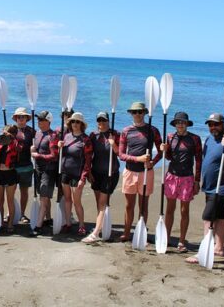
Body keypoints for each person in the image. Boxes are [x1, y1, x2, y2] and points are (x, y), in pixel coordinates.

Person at [186, 113, 224, 263]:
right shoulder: (210, 139)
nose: (213, 127)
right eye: (210, 125)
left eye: (216, 124)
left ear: (223, 124)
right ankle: (219, 248)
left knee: (208, 218)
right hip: (211, 186)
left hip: (223, 188)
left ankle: (204, 251)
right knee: (220, 216)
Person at [118, 102, 162, 242]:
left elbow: (161, 152)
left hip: (146, 173)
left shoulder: (153, 130)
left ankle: (140, 231)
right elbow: (121, 154)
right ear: (131, 113)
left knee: (143, 205)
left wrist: (152, 162)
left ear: (144, 113)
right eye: (134, 112)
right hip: (130, 172)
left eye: (140, 112)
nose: (137, 114)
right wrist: (138, 158)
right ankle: (126, 232)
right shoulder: (126, 131)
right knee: (129, 205)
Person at [160, 112, 202, 252]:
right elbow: (169, 158)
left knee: (184, 211)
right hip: (172, 176)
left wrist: (197, 180)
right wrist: (165, 151)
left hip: (187, 178)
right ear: (175, 124)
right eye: (178, 122)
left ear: (187, 124)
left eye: (183, 122)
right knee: (169, 209)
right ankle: (166, 237)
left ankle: (182, 241)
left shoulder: (195, 139)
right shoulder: (170, 137)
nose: (180, 124)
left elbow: (198, 160)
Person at [82, 112, 120, 243]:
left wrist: (113, 144)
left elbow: (120, 153)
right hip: (96, 172)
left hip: (110, 173)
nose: (101, 123)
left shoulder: (115, 134)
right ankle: (101, 225)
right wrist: (89, 172)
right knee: (99, 202)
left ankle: (95, 233)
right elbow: (89, 154)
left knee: (102, 203)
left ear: (108, 121)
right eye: (99, 120)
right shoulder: (93, 136)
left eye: (104, 120)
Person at [58, 112, 93, 235]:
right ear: (70, 123)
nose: (75, 124)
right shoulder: (66, 136)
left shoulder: (85, 139)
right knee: (67, 199)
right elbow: (60, 154)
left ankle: (81, 225)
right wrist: (59, 147)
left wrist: (82, 178)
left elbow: (88, 162)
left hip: (77, 174)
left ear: (82, 124)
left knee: (76, 201)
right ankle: (68, 224)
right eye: (73, 121)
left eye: (78, 122)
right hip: (65, 172)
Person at [29, 110, 59, 236]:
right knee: (42, 195)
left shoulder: (52, 136)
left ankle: (38, 226)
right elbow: (35, 148)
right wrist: (32, 149)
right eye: (38, 120)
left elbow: (54, 156)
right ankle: (48, 219)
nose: (39, 122)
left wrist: (38, 155)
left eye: (42, 120)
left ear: (49, 121)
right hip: (38, 169)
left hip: (48, 170)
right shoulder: (37, 133)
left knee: (44, 197)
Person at [0, 124, 20, 234]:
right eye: (4, 132)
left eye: (7, 133)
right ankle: (0, 223)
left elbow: (18, 148)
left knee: (10, 200)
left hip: (10, 174)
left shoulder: (15, 143)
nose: (5, 134)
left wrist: (11, 138)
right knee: (0, 200)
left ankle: (10, 224)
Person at [12, 107, 36, 223]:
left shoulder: (32, 131)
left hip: (26, 166)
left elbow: (39, 145)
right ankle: (10, 212)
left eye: (23, 117)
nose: (21, 119)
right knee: (11, 191)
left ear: (27, 118)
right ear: (16, 118)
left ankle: (22, 213)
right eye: (19, 117)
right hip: (12, 166)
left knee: (24, 191)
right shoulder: (11, 130)